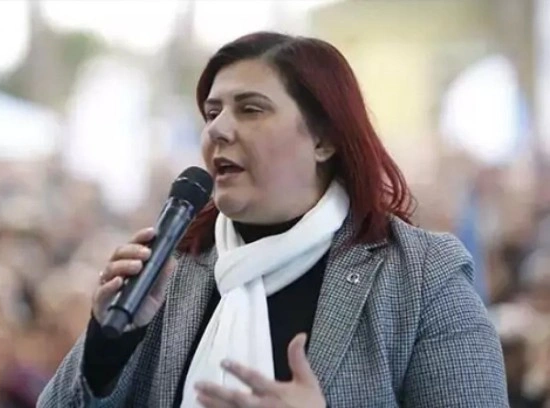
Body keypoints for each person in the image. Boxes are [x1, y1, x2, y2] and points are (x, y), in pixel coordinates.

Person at [37, 32, 508, 407]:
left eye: (250, 109)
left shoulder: (422, 277)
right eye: (212, 112)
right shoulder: (174, 270)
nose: (218, 129)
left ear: (323, 139)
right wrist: (109, 346)